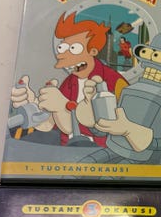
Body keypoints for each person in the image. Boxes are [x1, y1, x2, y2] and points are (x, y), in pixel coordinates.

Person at [11, 12, 128, 145]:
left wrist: (63, 108)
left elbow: (123, 130)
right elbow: (51, 124)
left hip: (102, 150)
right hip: (66, 149)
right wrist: (33, 108)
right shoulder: (69, 82)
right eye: (62, 48)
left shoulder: (115, 82)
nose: (61, 55)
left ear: (93, 51)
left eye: (74, 48)